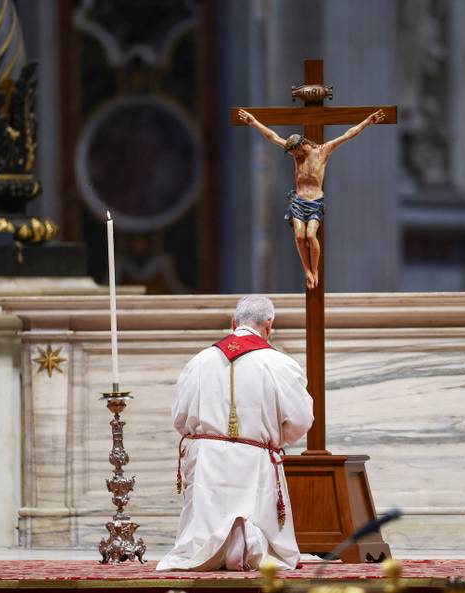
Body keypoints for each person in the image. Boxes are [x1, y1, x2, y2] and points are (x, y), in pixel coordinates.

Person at [157, 295, 314, 571]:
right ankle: (248, 540)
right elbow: (301, 419)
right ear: (269, 325)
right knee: (258, 515)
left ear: (233, 323)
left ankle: (218, 546)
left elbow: (179, 417)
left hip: (207, 460)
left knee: (199, 535)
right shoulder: (279, 364)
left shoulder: (199, 361)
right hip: (256, 459)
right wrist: (276, 440)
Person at [237, 108, 386, 290]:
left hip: (315, 202)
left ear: (300, 146)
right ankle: (307, 270)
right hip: (299, 202)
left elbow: (348, 135)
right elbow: (273, 137)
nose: (292, 155)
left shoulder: (323, 151)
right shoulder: (296, 157)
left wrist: (367, 122)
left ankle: (314, 270)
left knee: (310, 235)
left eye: (293, 152)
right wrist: (253, 122)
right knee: (300, 237)